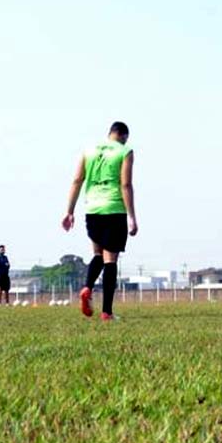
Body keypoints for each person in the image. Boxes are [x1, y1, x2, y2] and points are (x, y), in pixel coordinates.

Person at [61, 121, 139, 321]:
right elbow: (126, 184)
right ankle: (107, 312)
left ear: (109, 133)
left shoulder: (89, 150)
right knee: (110, 260)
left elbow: (77, 180)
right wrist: (131, 216)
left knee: (97, 254)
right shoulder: (125, 151)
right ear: (123, 136)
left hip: (92, 209)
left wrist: (69, 211)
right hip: (113, 209)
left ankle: (87, 287)